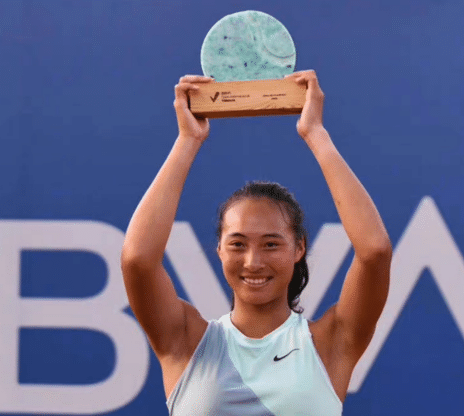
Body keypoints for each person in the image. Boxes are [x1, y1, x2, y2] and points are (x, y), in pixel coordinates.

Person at [121, 70, 392, 415]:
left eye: (271, 244)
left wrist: (316, 134)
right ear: (219, 249)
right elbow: (137, 260)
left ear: (299, 248)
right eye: (237, 244)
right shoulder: (184, 341)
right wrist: (187, 140)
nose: (253, 261)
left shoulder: (330, 344)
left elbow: (375, 251)